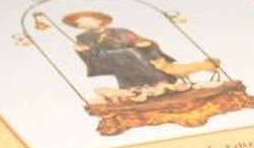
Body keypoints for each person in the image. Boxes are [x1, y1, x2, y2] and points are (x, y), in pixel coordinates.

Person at [64, 10, 194, 94]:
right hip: (105, 59)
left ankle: (160, 82)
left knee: (136, 52)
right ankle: (136, 87)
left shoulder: (121, 31)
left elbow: (137, 40)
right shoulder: (83, 38)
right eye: (79, 24)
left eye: (85, 22)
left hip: (133, 54)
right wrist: (82, 51)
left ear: (98, 20)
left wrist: (145, 43)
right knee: (126, 53)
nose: (82, 25)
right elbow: (90, 55)